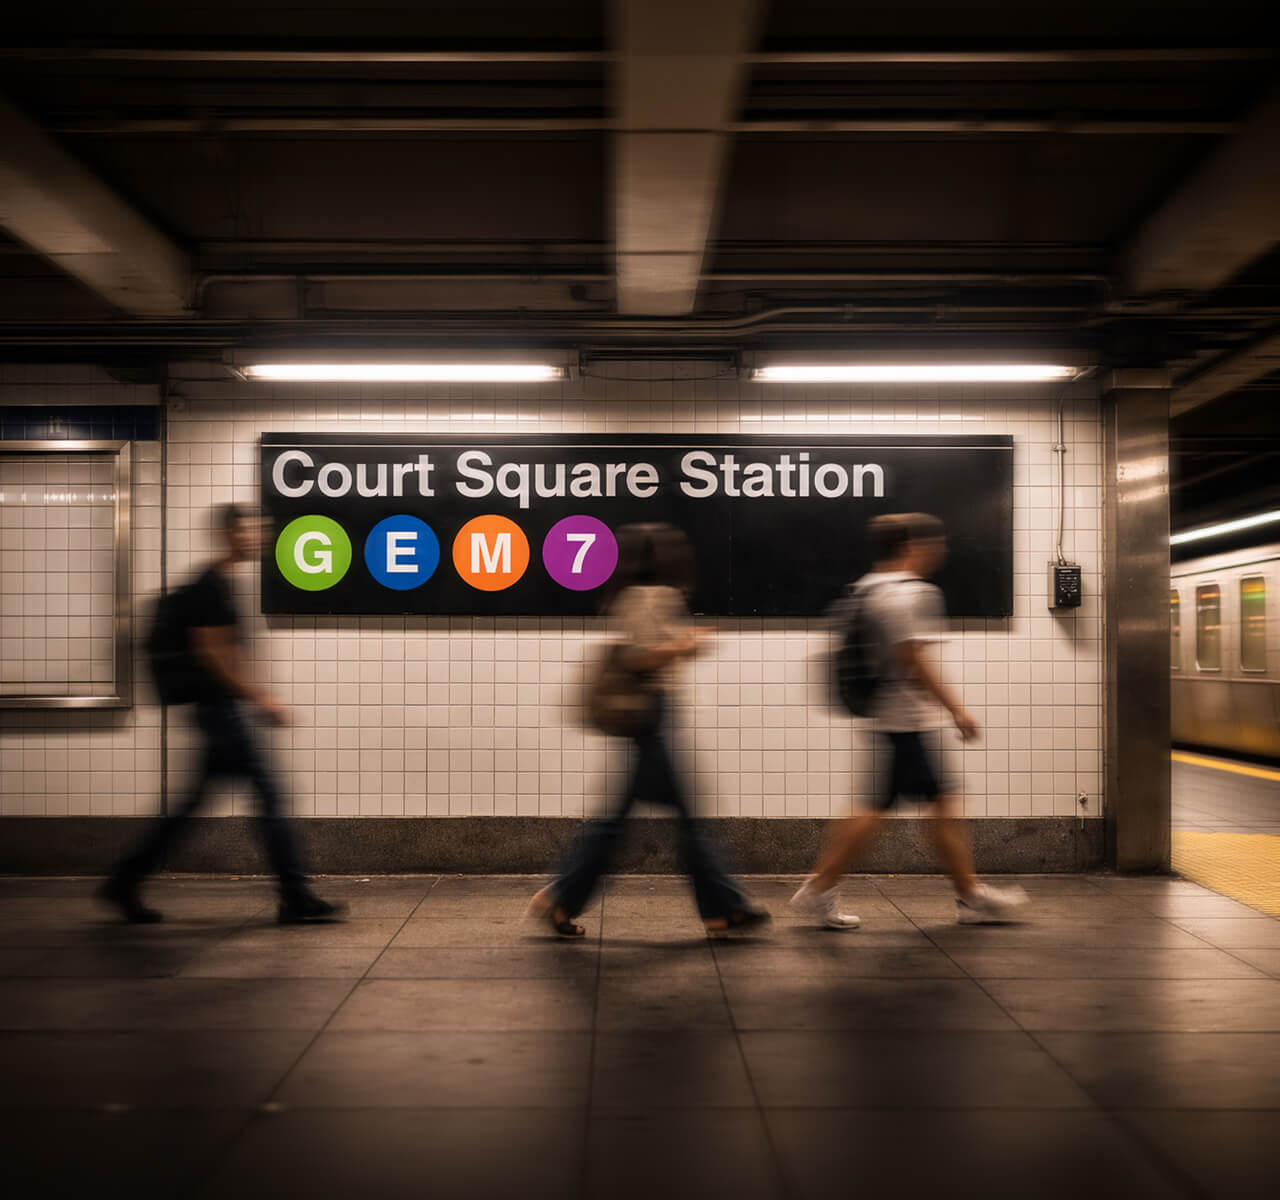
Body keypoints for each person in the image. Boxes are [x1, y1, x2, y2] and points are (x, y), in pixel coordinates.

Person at [99, 504, 345, 925]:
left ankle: (125, 880)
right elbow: (214, 653)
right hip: (221, 714)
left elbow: (228, 651)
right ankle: (295, 895)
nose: (258, 538)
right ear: (229, 533)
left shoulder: (223, 583)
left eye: (260, 530)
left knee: (191, 808)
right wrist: (261, 698)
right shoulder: (209, 587)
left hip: (221, 713)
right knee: (271, 798)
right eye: (249, 530)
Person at [529, 523, 769, 937]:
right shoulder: (651, 596)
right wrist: (685, 646)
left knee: (623, 820)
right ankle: (722, 908)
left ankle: (563, 899)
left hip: (651, 715)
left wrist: (680, 645)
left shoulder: (631, 596)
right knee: (680, 820)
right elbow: (640, 657)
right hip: (650, 714)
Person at [792, 512, 1029, 928]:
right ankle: (819, 888)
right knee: (881, 810)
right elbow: (913, 660)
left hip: (890, 717)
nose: (940, 551)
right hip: (905, 722)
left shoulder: (866, 588)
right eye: (933, 543)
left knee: (935, 806)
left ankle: (969, 893)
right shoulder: (912, 594)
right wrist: (956, 709)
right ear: (910, 546)